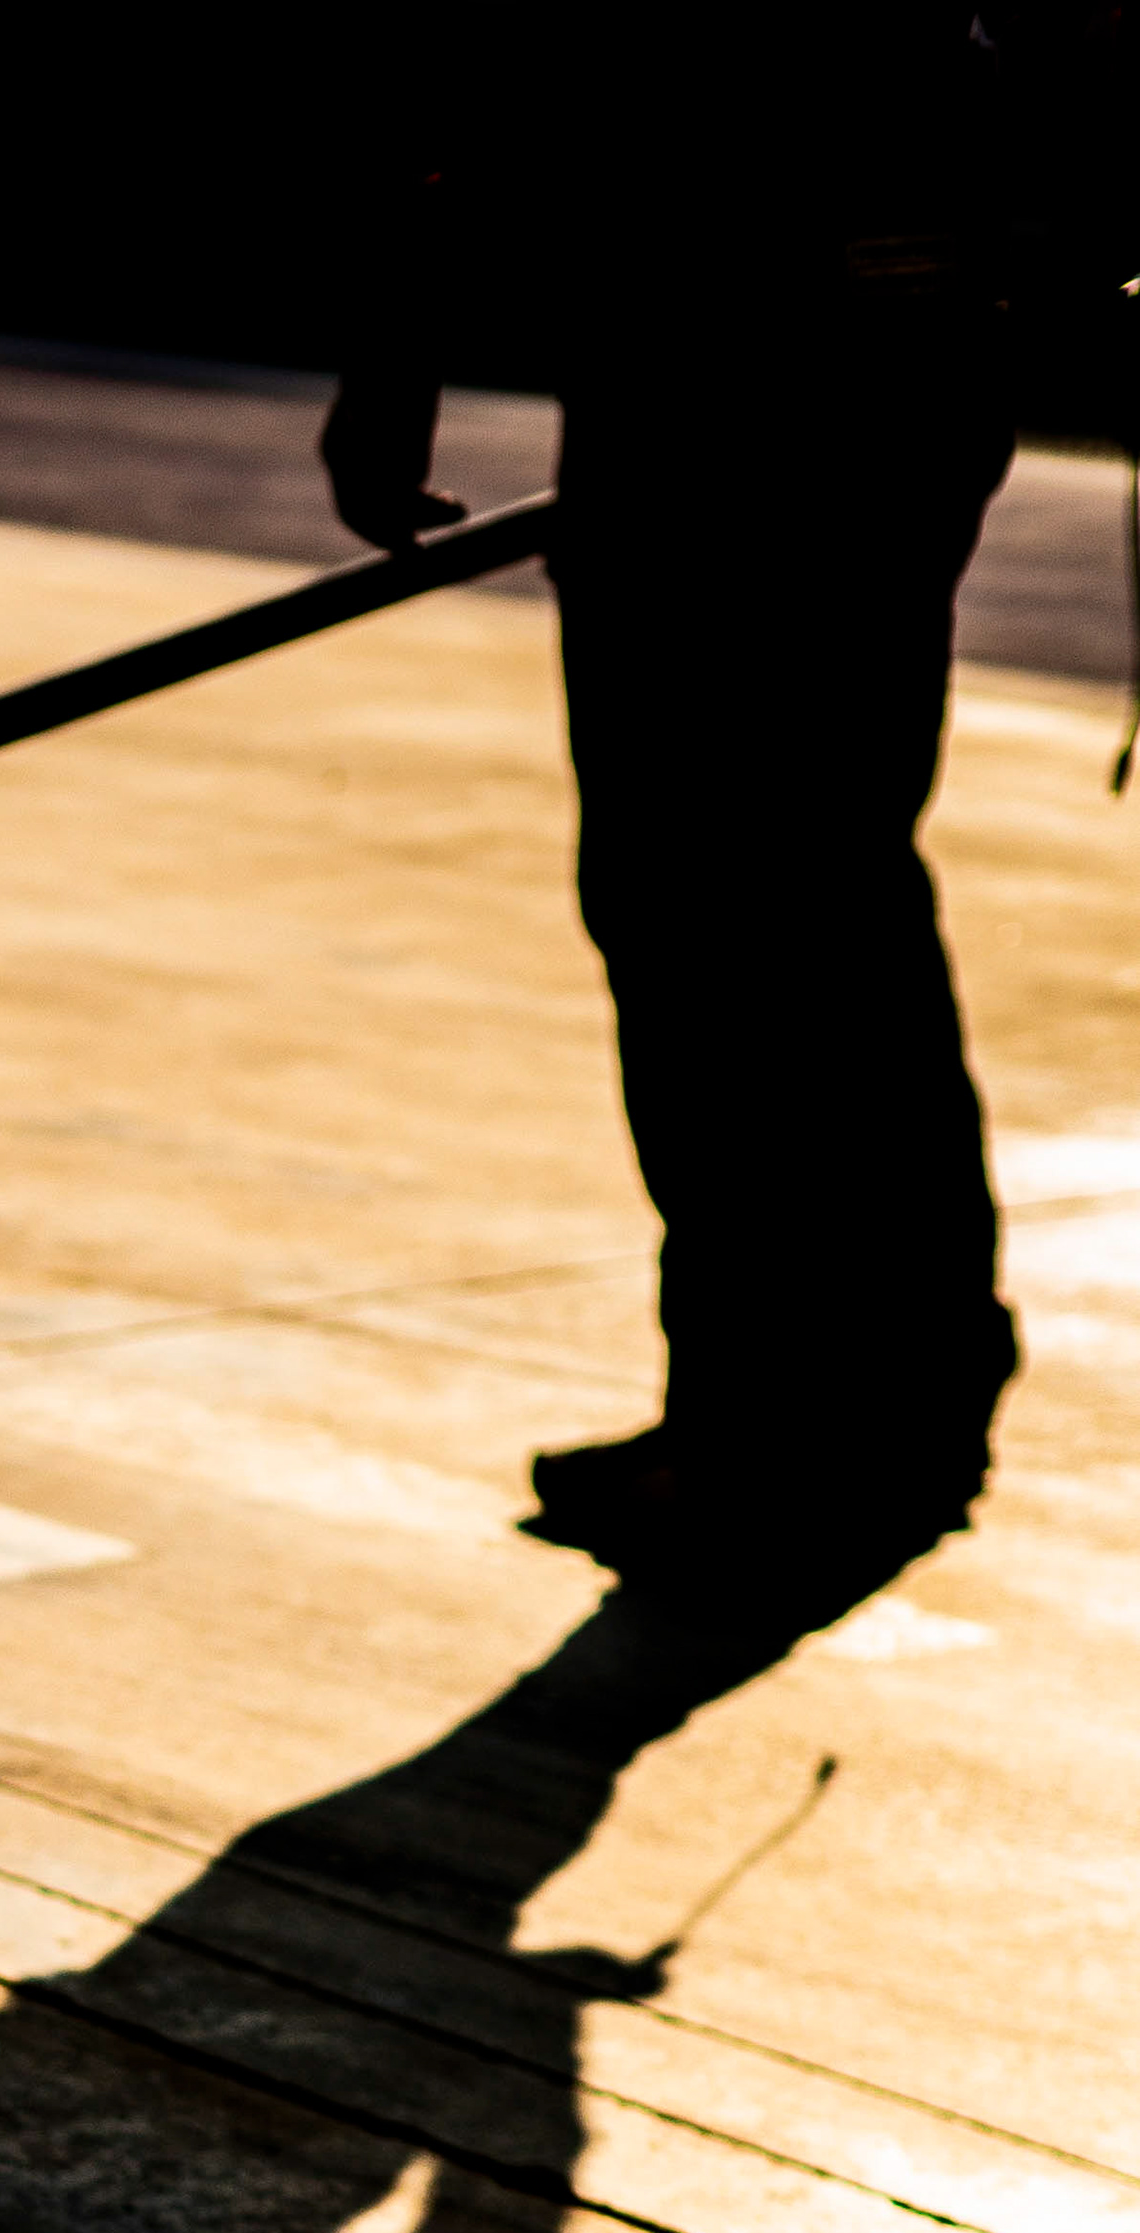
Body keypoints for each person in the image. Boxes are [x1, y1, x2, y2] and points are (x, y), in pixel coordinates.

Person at [321, 9, 1140, 1637]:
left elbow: (474, 60)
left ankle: (786, 1429)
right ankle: (868, 1398)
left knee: (731, 906)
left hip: (750, 358)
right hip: (845, 351)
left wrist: (397, 345)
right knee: (804, 891)